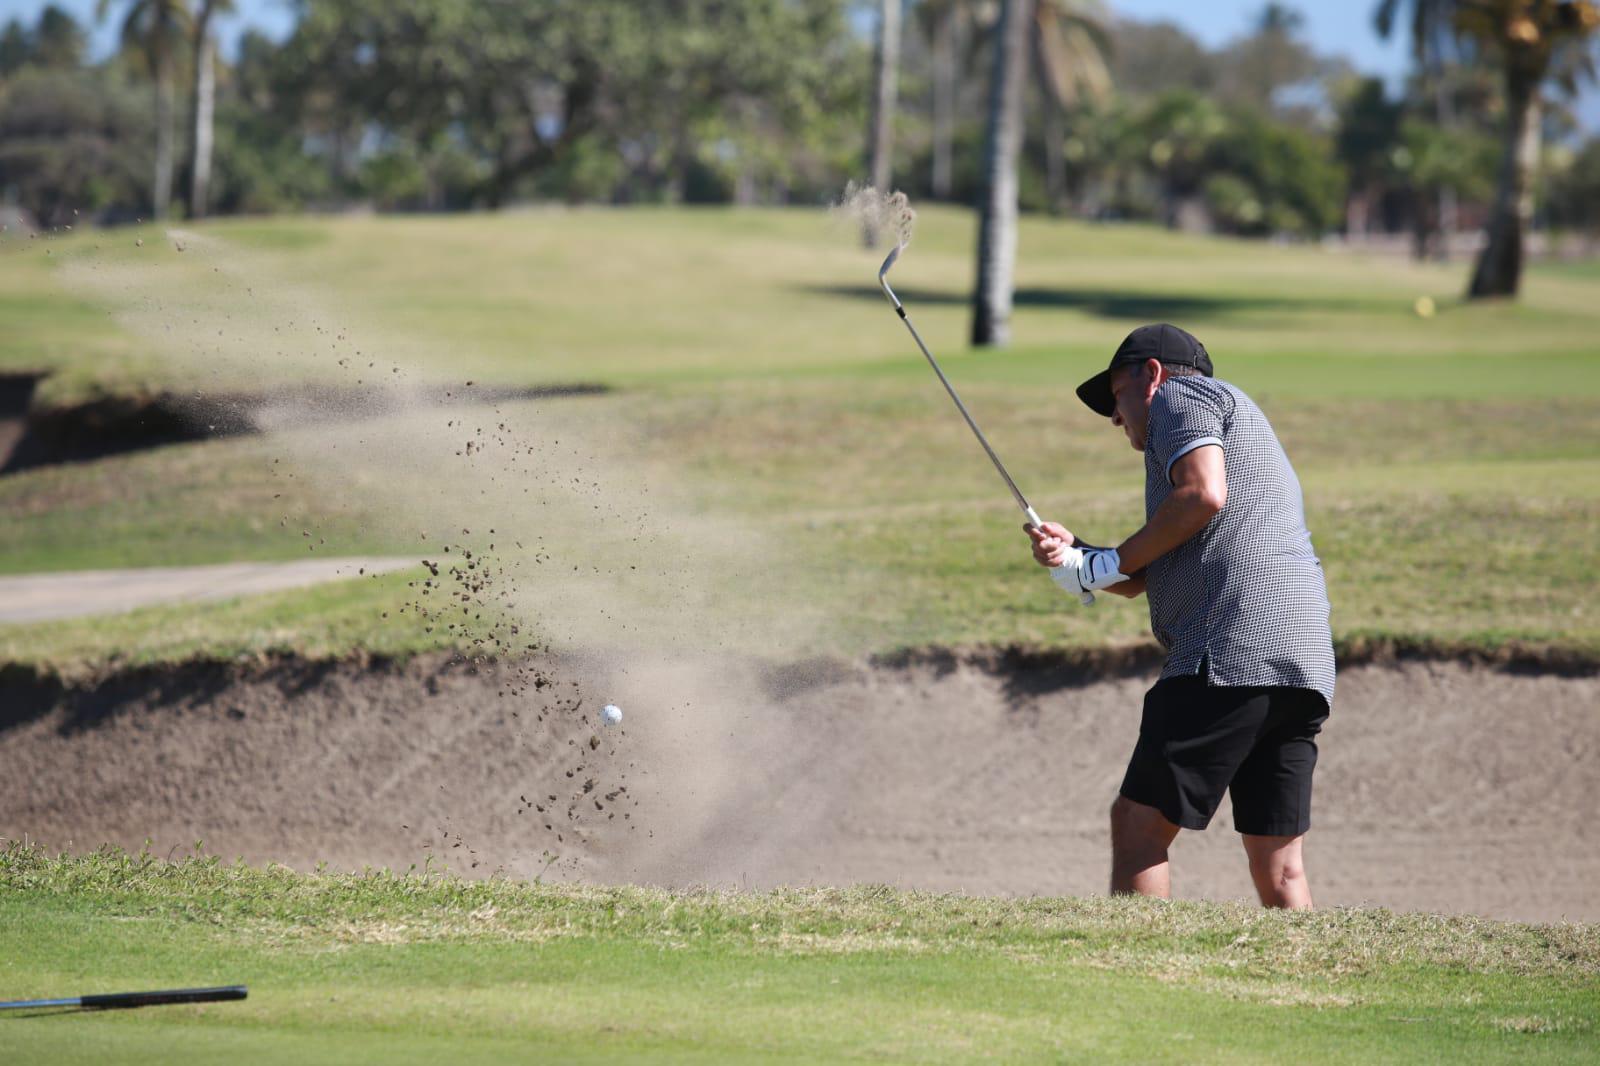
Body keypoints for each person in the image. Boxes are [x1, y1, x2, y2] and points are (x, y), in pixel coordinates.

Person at [1026, 323, 1334, 909]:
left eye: (1115, 396)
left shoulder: (1182, 398)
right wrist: (1079, 558)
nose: (1115, 418)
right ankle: (1308, 986)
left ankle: (1138, 977)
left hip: (1228, 653)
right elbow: (1149, 575)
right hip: (1303, 665)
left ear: (1152, 374)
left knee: (1138, 824)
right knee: (1281, 862)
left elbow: (1201, 495)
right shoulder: (1230, 419)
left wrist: (1106, 561)